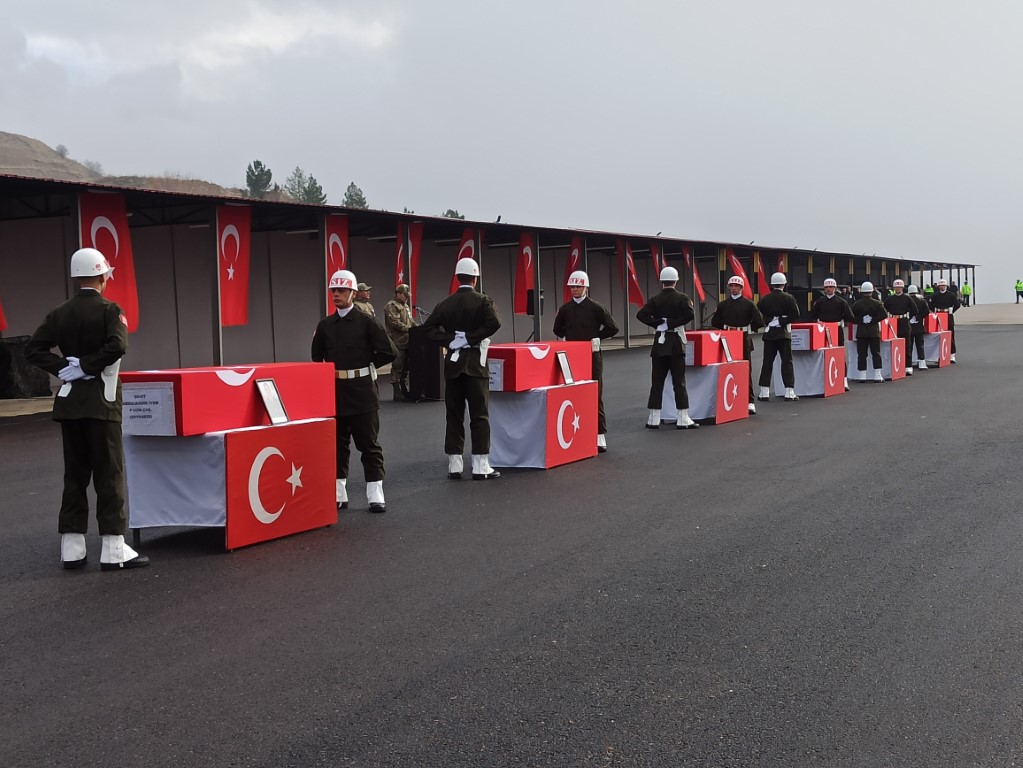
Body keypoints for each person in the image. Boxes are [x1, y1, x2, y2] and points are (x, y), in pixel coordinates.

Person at [25, 247, 149, 571]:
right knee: (109, 474)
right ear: (102, 276)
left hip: (69, 405)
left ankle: (72, 547)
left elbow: (33, 348)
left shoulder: (59, 312)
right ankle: (112, 548)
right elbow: (118, 345)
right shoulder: (111, 310)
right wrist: (88, 366)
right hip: (103, 403)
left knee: (75, 476)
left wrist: (64, 367)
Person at [312, 269, 396, 512]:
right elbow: (317, 357)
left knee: (368, 443)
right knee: (338, 444)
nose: (336, 295)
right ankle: (339, 492)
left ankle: (375, 492)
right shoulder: (326, 325)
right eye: (333, 291)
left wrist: (368, 365)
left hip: (362, 391)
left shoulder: (367, 322)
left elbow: (389, 351)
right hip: (336, 390)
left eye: (341, 291)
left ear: (353, 293)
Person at [423, 257, 502, 480]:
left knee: (454, 415)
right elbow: (494, 323)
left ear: (457, 277)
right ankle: (480, 464)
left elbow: (428, 328)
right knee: (479, 414)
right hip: (476, 363)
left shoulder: (445, 303)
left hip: (453, 364)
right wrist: (470, 337)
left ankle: (455, 464)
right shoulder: (484, 301)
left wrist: (450, 339)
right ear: (475, 278)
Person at [552, 270, 620, 451]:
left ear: (585, 287)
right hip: (572, 355)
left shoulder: (596, 308)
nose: (575, 290)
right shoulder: (565, 309)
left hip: (592, 355)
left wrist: (598, 337)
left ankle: (599, 434)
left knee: (595, 394)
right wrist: (567, 336)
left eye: (578, 286)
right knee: (572, 392)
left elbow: (613, 327)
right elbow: (557, 329)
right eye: (572, 287)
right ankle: (576, 432)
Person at [636, 266, 698, 429]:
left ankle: (653, 418)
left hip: (659, 343)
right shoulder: (683, 298)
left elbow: (641, 315)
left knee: (657, 381)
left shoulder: (655, 299)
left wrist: (659, 323)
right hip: (676, 343)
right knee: (679, 382)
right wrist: (671, 323)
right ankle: (682, 417)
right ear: (676, 281)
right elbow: (690, 315)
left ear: (661, 281)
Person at [710, 275, 764, 413]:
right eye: (732, 286)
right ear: (729, 287)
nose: (734, 288)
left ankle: (749, 401)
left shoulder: (749, 304)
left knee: (746, 369)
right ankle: (727, 398)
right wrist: (726, 328)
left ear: (741, 288)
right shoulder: (723, 305)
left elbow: (759, 321)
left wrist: (746, 329)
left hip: (743, 338)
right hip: (727, 339)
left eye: (737, 286)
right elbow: (715, 322)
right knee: (726, 369)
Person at [756, 271, 801, 401]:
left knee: (767, 363)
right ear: (784, 284)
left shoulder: (764, 299)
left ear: (772, 285)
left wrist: (770, 321)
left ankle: (764, 392)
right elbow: (795, 314)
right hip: (784, 333)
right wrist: (781, 321)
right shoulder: (789, 298)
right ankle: (789, 391)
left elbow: (758, 315)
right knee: (787, 362)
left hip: (769, 334)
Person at [810, 277, 855, 390]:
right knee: (822, 354)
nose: (829, 289)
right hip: (823, 330)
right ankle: (823, 380)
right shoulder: (819, 302)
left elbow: (850, 317)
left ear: (835, 288)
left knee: (840, 354)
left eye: (831, 287)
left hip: (837, 329)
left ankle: (843, 380)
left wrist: (843, 321)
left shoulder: (841, 302)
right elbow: (813, 315)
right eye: (826, 287)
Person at [883, 279, 923, 377]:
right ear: (893, 288)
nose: (898, 289)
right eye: (896, 287)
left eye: (899, 287)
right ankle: (893, 365)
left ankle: (908, 366)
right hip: (892, 322)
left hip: (904, 322)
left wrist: (909, 317)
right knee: (892, 344)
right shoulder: (889, 299)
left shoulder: (908, 298)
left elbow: (915, 310)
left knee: (907, 345)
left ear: (902, 288)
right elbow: (883, 310)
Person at [851, 281, 888, 382]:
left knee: (862, 354)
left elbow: (851, 317)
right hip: (874, 332)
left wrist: (861, 320)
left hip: (861, 332)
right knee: (876, 353)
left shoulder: (857, 304)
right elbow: (884, 315)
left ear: (862, 292)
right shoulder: (877, 303)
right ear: (872, 291)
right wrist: (873, 319)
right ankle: (877, 375)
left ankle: (862, 376)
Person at [383, 284, 414, 401]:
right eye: (405, 295)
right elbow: (394, 323)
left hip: (408, 341)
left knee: (406, 367)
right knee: (397, 366)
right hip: (397, 342)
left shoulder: (405, 306)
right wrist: (409, 329)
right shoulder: (391, 306)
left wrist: (417, 328)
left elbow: (410, 321)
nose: (407, 298)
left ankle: (404, 388)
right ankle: (397, 392)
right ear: (398, 294)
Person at [927, 277, 960, 363]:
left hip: (948, 315)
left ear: (946, 286)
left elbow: (957, 304)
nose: (942, 287)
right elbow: (930, 304)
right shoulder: (935, 295)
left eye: (943, 285)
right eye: (940, 286)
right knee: (938, 335)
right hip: (938, 315)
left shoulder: (951, 295)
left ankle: (952, 354)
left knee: (950, 333)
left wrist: (952, 311)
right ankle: (939, 355)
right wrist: (934, 311)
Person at [907, 285, 929, 371]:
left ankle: (909, 363)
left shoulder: (906, 301)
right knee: (920, 345)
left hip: (909, 326)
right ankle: (922, 363)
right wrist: (919, 317)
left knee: (909, 346)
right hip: (919, 326)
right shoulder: (922, 301)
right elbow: (926, 311)